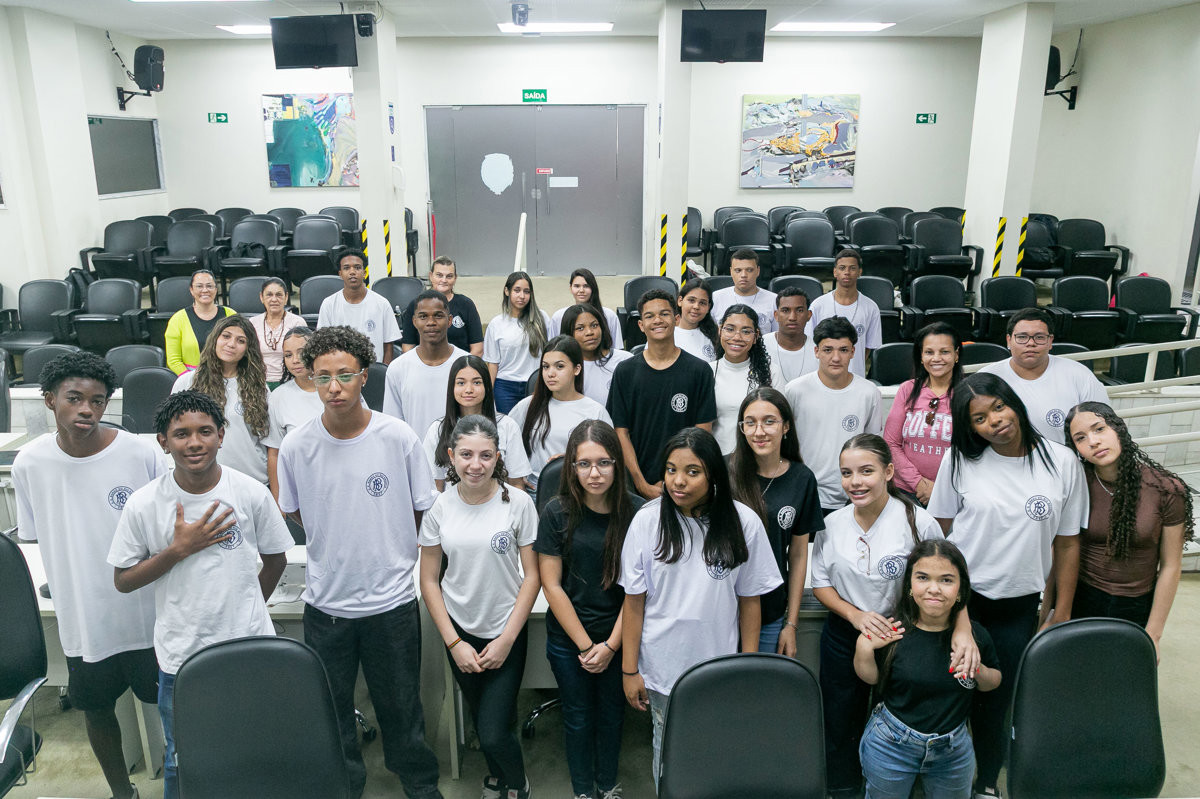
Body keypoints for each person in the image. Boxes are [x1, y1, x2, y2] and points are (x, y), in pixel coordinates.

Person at [276, 325, 444, 799]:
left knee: (402, 707)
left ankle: (419, 783)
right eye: (322, 376)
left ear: (364, 376)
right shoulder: (297, 446)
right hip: (328, 605)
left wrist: (386, 545)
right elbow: (295, 511)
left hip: (392, 604)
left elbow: (420, 508)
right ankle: (345, 786)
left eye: (345, 375)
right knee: (332, 711)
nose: (334, 387)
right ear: (311, 378)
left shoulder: (398, 437)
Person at [108, 390, 292, 799]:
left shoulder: (249, 492)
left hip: (248, 648)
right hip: (181, 656)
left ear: (221, 435)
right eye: (181, 434)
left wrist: (246, 606)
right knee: (183, 758)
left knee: (253, 750)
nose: (194, 442)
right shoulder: (144, 504)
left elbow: (276, 559)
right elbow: (123, 580)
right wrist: (177, 551)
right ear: (163, 441)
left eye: (205, 431)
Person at [927, 372, 1087, 799]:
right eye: (979, 418)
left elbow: (1067, 543)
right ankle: (939, 779)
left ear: (1013, 402)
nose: (994, 421)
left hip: (1018, 605)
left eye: (998, 407)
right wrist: (955, 611)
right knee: (948, 689)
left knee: (996, 700)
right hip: (961, 602)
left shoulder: (1061, 461)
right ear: (970, 427)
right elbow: (940, 536)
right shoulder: (959, 461)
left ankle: (985, 783)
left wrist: (1061, 611)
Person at [13, 352, 166, 799]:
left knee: (172, 707)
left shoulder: (139, 452)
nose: (87, 409)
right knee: (97, 711)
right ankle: (122, 793)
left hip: (149, 617)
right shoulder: (29, 463)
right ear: (49, 400)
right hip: (84, 620)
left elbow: (163, 529)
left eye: (97, 401)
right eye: (74, 398)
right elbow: (36, 535)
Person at [620, 427, 782, 788]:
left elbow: (750, 602)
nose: (678, 481)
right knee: (667, 754)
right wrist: (630, 670)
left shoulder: (743, 522)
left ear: (713, 475)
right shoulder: (647, 520)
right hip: (662, 666)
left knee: (716, 752)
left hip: (718, 666)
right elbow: (633, 603)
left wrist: (747, 666)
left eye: (692, 472)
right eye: (671, 470)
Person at [811, 434, 950, 798]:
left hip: (902, 634)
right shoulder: (832, 523)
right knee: (840, 717)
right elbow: (821, 583)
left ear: (889, 472)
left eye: (866, 471)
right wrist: (855, 616)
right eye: (846, 473)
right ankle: (843, 787)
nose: (855, 482)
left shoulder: (919, 523)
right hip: (844, 633)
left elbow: (940, 580)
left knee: (901, 718)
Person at [419, 415, 540, 799]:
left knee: (492, 731)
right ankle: (498, 778)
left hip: (506, 629)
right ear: (451, 456)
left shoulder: (518, 503)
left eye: (486, 455)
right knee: (479, 715)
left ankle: (518, 784)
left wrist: (507, 639)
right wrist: (454, 643)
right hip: (460, 630)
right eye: (466, 455)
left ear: (498, 457)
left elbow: (533, 577)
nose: (476, 464)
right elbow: (429, 580)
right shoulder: (439, 507)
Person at [535, 420, 642, 799]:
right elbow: (551, 585)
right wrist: (585, 646)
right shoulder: (556, 512)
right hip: (569, 641)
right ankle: (583, 790)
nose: (594, 473)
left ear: (617, 464)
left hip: (621, 637)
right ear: (572, 467)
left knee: (613, 715)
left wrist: (611, 646)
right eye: (584, 464)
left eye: (603, 463)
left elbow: (638, 592)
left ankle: (607, 786)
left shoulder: (638, 514)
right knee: (578, 717)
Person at [855, 540, 1001, 799]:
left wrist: (977, 669)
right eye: (923, 578)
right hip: (890, 745)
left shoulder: (973, 638)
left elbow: (994, 681)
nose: (934, 589)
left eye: (946, 580)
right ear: (910, 586)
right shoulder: (894, 630)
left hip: (952, 751)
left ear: (960, 590)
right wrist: (863, 648)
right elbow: (871, 677)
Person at [1064, 402, 1193, 655]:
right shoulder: (1076, 483)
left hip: (1136, 605)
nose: (1093, 441)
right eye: (1080, 438)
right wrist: (1055, 611)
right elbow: (1063, 550)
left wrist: (1153, 633)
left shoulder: (1166, 489)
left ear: (1118, 428)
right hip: (1082, 597)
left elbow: (1171, 566)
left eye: (1099, 429)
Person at [727, 387, 823, 655]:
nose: (759, 431)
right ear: (742, 428)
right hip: (721, 607)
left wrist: (791, 623)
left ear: (786, 426)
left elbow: (798, 555)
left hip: (770, 609)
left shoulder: (802, 478)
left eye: (769, 421)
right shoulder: (723, 472)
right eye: (750, 423)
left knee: (761, 679)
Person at [607, 289, 717, 500]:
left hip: (684, 483)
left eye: (664, 314)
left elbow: (702, 433)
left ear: (676, 319)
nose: (657, 320)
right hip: (636, 484)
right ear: (641, 325)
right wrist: (641, 484)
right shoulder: (625, 371)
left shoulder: (699, 370)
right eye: (649, 316)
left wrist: (675, 478)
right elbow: (620, 432)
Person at [784, 317, 883, 513]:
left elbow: (872, 448)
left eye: (843, 350)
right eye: (828, 350)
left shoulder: (869, 392)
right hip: (805, 493)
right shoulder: (794, 390)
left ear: (853, 352)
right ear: (816, 351)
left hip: (853, 495)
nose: (836, 358)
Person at [980, 307, 1108, 443]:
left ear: (1050, 341)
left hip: (1066, 455)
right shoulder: (987, 377)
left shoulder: (1079, 374)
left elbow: (1104, 424)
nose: (1031, 343)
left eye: (1039, 337)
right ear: (1009, 340)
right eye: (1022, 337)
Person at [171, 315, 270, 485]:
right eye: (226, 336)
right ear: (215, 339)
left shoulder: (259, 387)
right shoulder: (187, 382)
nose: (231, 344)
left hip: (253, 480)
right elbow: (173, 431)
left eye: (241, 341)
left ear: (248, 348)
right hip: (203, 480)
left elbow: (268, 440)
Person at [508, 336, 611, 496]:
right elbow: (504, 440)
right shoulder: (528, 405)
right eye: (545, 367)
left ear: (577, 369)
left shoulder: (595, 411)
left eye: (559, 366)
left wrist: (572, 458)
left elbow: (609, 456)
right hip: (534, 491)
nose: (550, 373)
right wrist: (516, 475)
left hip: (578, 492)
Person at [424, 354, 532, 492]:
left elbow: (517, 484)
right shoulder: (438, 429)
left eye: (477, 383)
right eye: (461, 383)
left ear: (487, 386)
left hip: (498, 502)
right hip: (452, 504)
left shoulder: (507, 426)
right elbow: (435, 487)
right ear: (452, 387)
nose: (469, 389)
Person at [883, 322, 963, 505]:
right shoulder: (907, 389)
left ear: (956, 355)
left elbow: (972, 451)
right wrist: (919, 484)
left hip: (953, 491)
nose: (936, 358)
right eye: (929, 352)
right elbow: (891, 443)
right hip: (905, 491)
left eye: (945, 352)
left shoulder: (969, 394)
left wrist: (941, 489)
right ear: (920, 356)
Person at [383, 290, 469, 438]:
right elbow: (393, 425)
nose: (431, 322)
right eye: (423, 316)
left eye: (438, 315)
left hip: (459, 452)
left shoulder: (468, 364)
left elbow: (481, 421)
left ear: (449, 320)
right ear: (414, 321)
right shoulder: (397, 368)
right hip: (414, 452)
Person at [710, 305, 782, 455]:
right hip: (717, 458)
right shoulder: (707, 372)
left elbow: (780, 421)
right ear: (720, 330)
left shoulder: (771, 372)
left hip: (758, 458)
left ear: (756, 336)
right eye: (730, 329)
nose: (737, 337)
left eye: (746, 331)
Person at [805, 249, 882, 377]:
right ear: (835, 272)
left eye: (852, 268)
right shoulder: (818, 305)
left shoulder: (871, 307)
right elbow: (810, 343)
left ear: (860, 272)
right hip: (824, 377)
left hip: (855, 376)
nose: (847, 272)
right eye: (842, 268)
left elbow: (868, 347)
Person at [317, 249, 402, 364]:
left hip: (373, 369)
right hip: (340, 369)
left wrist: (383, 372)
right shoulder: (328, 304)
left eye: (357, 267)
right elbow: (323, 344)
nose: (352, 272)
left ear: (364, 273)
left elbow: (388, 345)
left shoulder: (382, 304)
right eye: (346, 268)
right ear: (340, 274)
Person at [484, 270, 551, 414]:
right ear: (507, 291)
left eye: (526, 291)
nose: (522, 296)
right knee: (508, 425)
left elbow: (551, 353)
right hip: (505, 387)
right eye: (517, 290)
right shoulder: (496, 324)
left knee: (534, 425)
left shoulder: (542, 318)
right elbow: (493, 364)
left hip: (535, 383)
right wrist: (488, 393)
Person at [265, 327, 319, 501]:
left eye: (301, 352)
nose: (295, 360)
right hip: (299, 486)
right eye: (288, 355)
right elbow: (274, 453)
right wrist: (278, 501)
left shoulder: (335, 387)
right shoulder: (278, 397)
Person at [400, 255, 484, 356]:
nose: (444, 280)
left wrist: (464, 365)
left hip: (461, 364)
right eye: (439, 275)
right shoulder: (415, 305)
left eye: (449, 276)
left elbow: (478, 349)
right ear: (431, 276)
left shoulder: (466, 304)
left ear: (455, 278)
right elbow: (407, 347)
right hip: (424, 364)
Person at [164, 269, 235, 375]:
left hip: (227, 375)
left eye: (209, 286)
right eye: (199, 286)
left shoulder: (231, 314)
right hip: (190, 377)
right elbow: (173, 360)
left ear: (216, 290)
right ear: (191, 290)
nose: (205, 290)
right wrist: (191, 379)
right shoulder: (178, 319)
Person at [562, 303, 634, 407]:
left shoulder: (625, 360)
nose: (589, 332)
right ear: (569, 333)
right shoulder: (564, 367)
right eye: (580, 328)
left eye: (594, 325)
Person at [248, 276, 308, 387]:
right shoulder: (252, 323)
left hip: (290, 381)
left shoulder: (297, 322)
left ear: (286, 297)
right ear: (261, 297)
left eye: (279, 295)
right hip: (258, 382)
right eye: (269, 295)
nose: (274, 299)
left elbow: (304, 356)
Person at [549, 267, 624, 349]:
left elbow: (617, 348)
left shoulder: (609, 315)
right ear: (570, 288)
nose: (581, 290)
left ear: (593, 288)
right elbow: (553, 349)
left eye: (586, 286)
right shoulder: (558, 316)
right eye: (577, 286)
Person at [710, 249, 777, 334]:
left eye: (749, 270)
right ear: (731, 271)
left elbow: (777, 336)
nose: (743, 275)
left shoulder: (774, 300)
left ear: (758, 271)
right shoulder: (716, 298)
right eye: (738, 270)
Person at [762, 287, 818, 383]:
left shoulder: (818, 350)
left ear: (809, 315)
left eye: (799, 310)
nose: (792, 317)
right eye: (785, 310)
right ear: (776, 315)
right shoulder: (761, 345)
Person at [673, 278, 721, 362]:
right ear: (680, 301)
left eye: (702, 303)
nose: (696, 306)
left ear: (708, 307)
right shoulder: (666, 334)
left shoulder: (716, 335)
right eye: (691, 300)